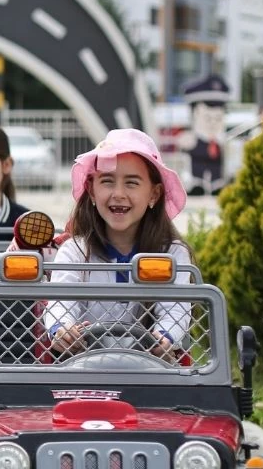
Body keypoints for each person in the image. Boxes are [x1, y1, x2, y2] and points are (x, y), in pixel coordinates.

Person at [43, 129, 193, 361]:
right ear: (91, 190)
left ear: (154, 194)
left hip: (151, 370)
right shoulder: (75, 251)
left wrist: (165, 337)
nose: (118, 193)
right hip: (82, 368)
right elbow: (60, 302)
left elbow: (175, 309)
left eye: (132, 183)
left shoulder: (171, 253)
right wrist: (62, 329)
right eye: (107, 182)